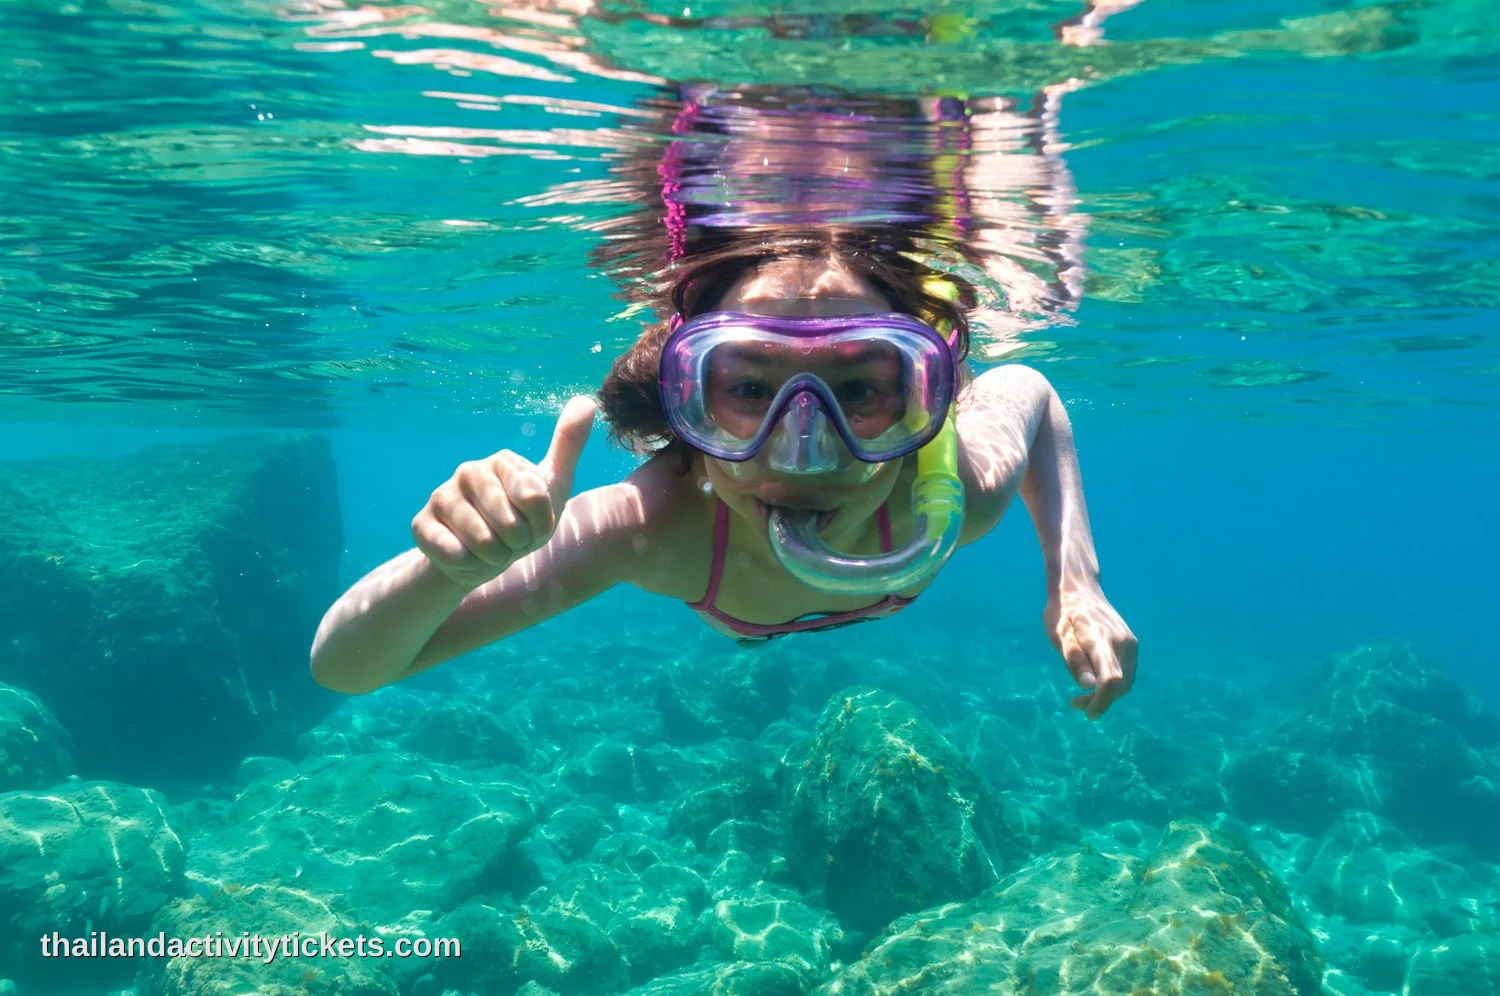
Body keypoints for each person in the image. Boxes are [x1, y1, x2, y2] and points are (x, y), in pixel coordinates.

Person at [310, 222, 1138, 720]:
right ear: (687, 408)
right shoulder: (651, 532)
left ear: (924, 400)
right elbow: (346, 667)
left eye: (858, 388)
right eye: (748, 390)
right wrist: (446, 569)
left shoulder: (948, 496)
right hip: (731, 615)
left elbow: (1028, 389)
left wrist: (1078, 583)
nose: (803, 450)